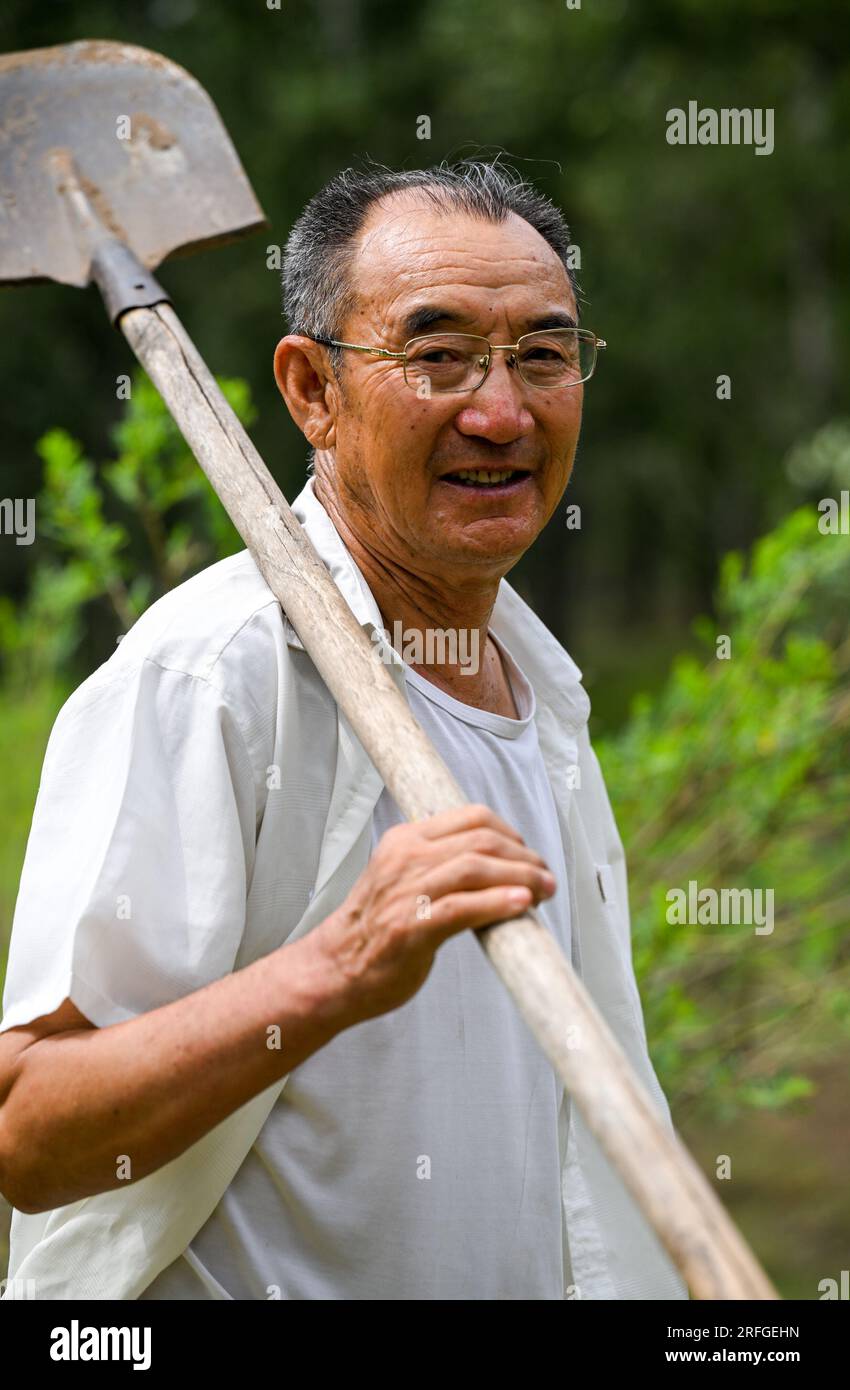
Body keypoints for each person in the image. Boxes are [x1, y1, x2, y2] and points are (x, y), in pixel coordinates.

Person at [0, 159, 688, 1301]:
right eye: (438, 353)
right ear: (312, 390)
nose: (502, 410)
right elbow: (30, 1126)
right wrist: (333, 968)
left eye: (543, 352)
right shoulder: (214, 676)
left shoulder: (541, 694)